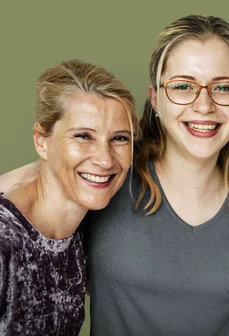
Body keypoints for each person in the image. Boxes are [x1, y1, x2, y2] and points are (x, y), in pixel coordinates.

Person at [0, 15, 229, 336]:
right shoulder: (108, 178)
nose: (204, 105)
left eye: (223, 87)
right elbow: (44, 187)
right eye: (183, 86)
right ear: (155, 99)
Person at [0, 59, 138, 335]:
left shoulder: (88, 223)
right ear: (41, 141)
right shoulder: (5, 240)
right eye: (83, 136)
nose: (104, 159)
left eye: (120, 138)